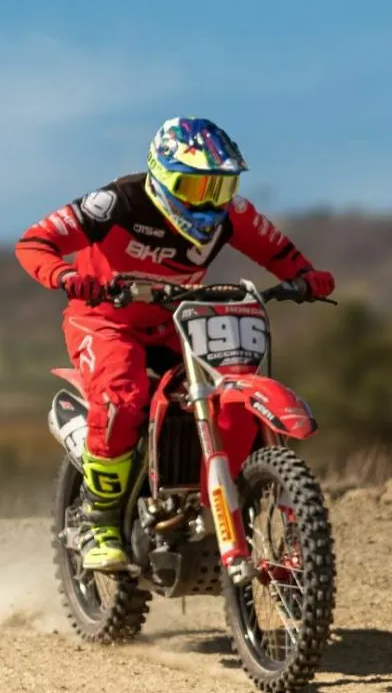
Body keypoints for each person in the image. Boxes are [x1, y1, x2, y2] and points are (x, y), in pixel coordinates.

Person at [15, 117, 335, 572]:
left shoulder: (234, 215)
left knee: (230, 392)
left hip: (177, 325)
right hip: (103, 320)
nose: (210, 202)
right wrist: (68, 276)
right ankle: (99, 522)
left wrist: (304, 277)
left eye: (219, 189)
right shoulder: (115, 204)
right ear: (162, 177)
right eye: (196, 187)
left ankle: (212, 503)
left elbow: (279, 253)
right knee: (124, 398)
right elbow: (34, 242)